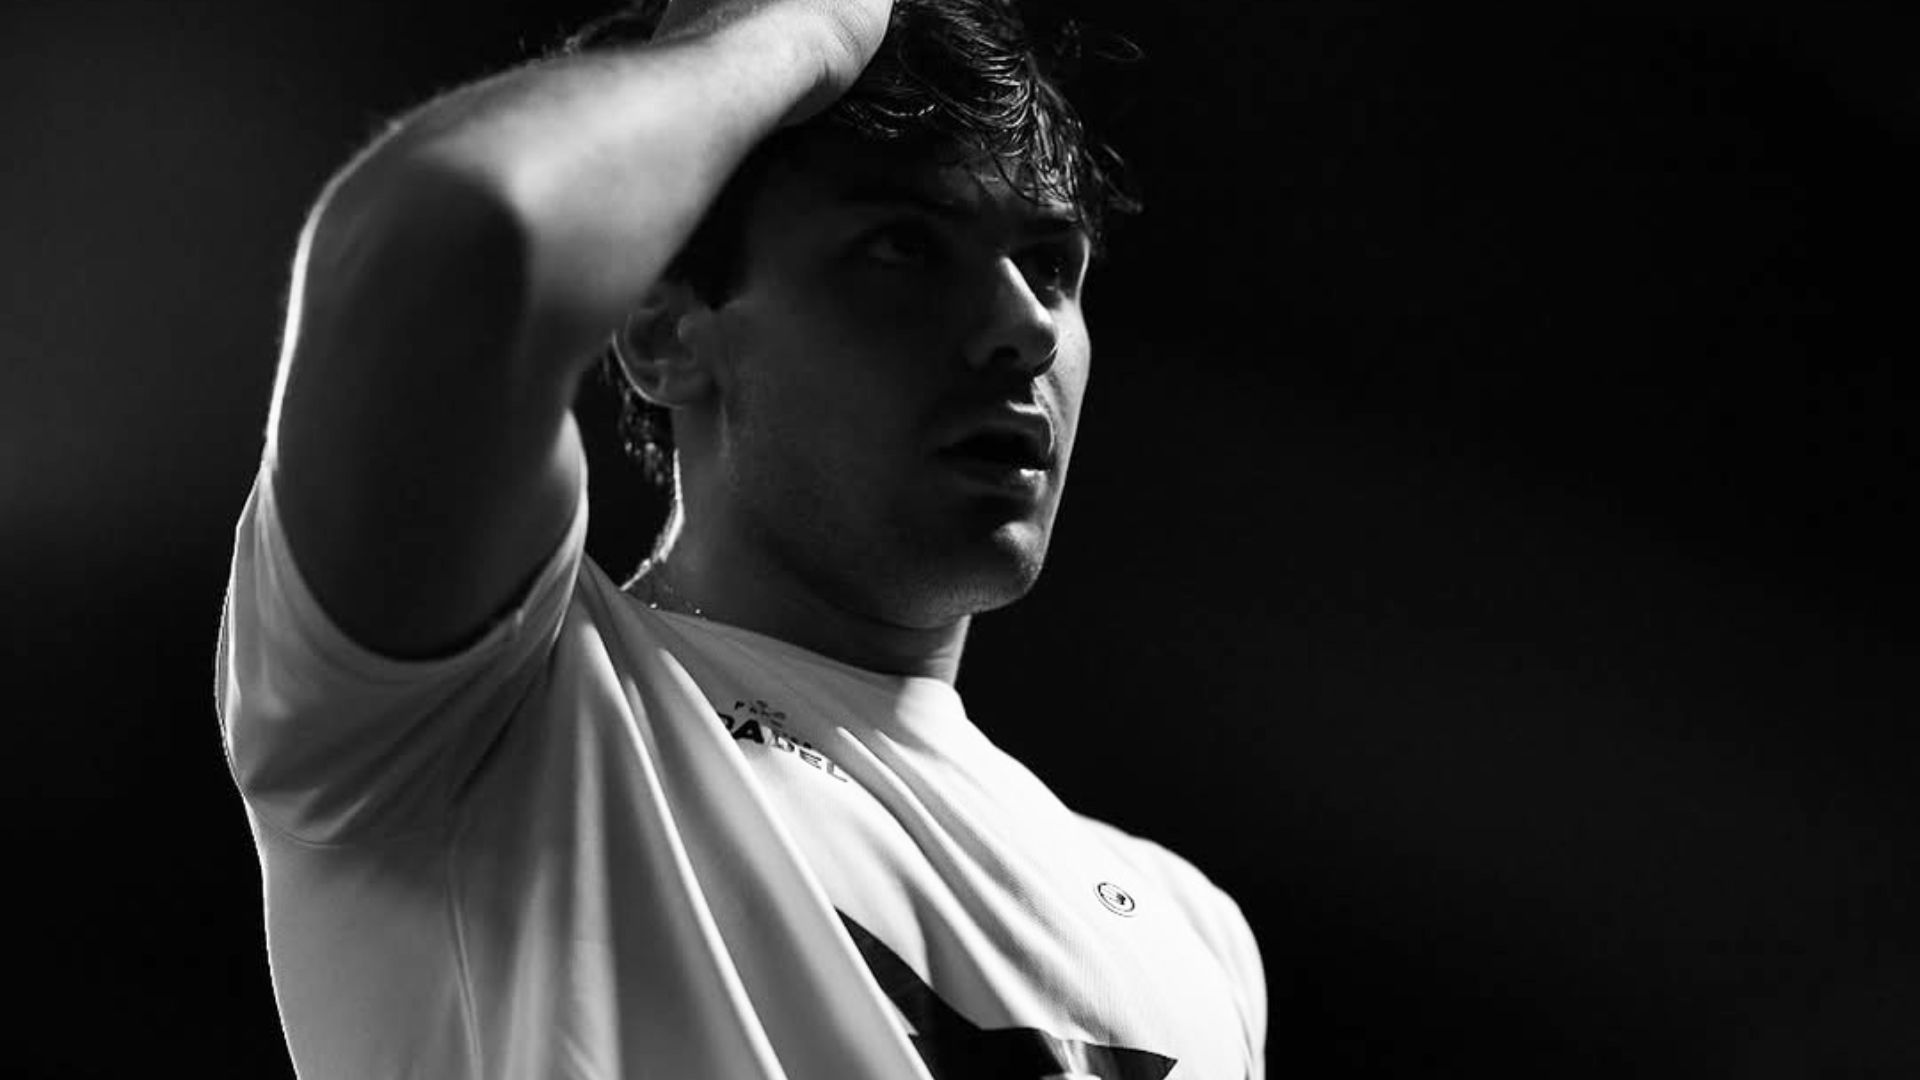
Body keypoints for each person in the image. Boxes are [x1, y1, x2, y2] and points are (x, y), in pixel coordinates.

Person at [215, 0, 1267, 1075]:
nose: (1027, 326)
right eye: (905, 246)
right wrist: (794, 33)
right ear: (665, 333)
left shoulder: (1196, 937)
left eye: (1049, 265)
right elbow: (449, 241)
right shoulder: (489, 719)